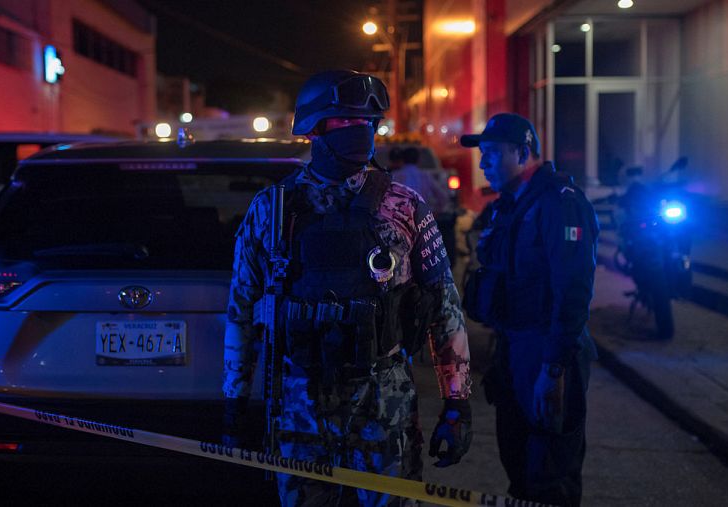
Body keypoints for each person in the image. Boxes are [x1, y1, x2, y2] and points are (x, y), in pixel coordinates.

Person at [223, 70, 472, 507]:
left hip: (384, 403)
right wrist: (234, 402)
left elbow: (443, 307)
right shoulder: (273, 210)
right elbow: (242, 310)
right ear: (314, 127)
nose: (363, 132)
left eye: (371, 123)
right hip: (299, 401)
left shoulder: (406, 207)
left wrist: (457, 403)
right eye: (347, 121)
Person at [460, 113, 598, 506]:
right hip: (514, 348)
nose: (483, 163)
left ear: (522, 152)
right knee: (518, 468)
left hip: (547, 352)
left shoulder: (559, 205)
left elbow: (572, 291)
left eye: (491, 153)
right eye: (482, 154)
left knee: (549, 475)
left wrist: (553, 368)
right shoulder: (509, 206)